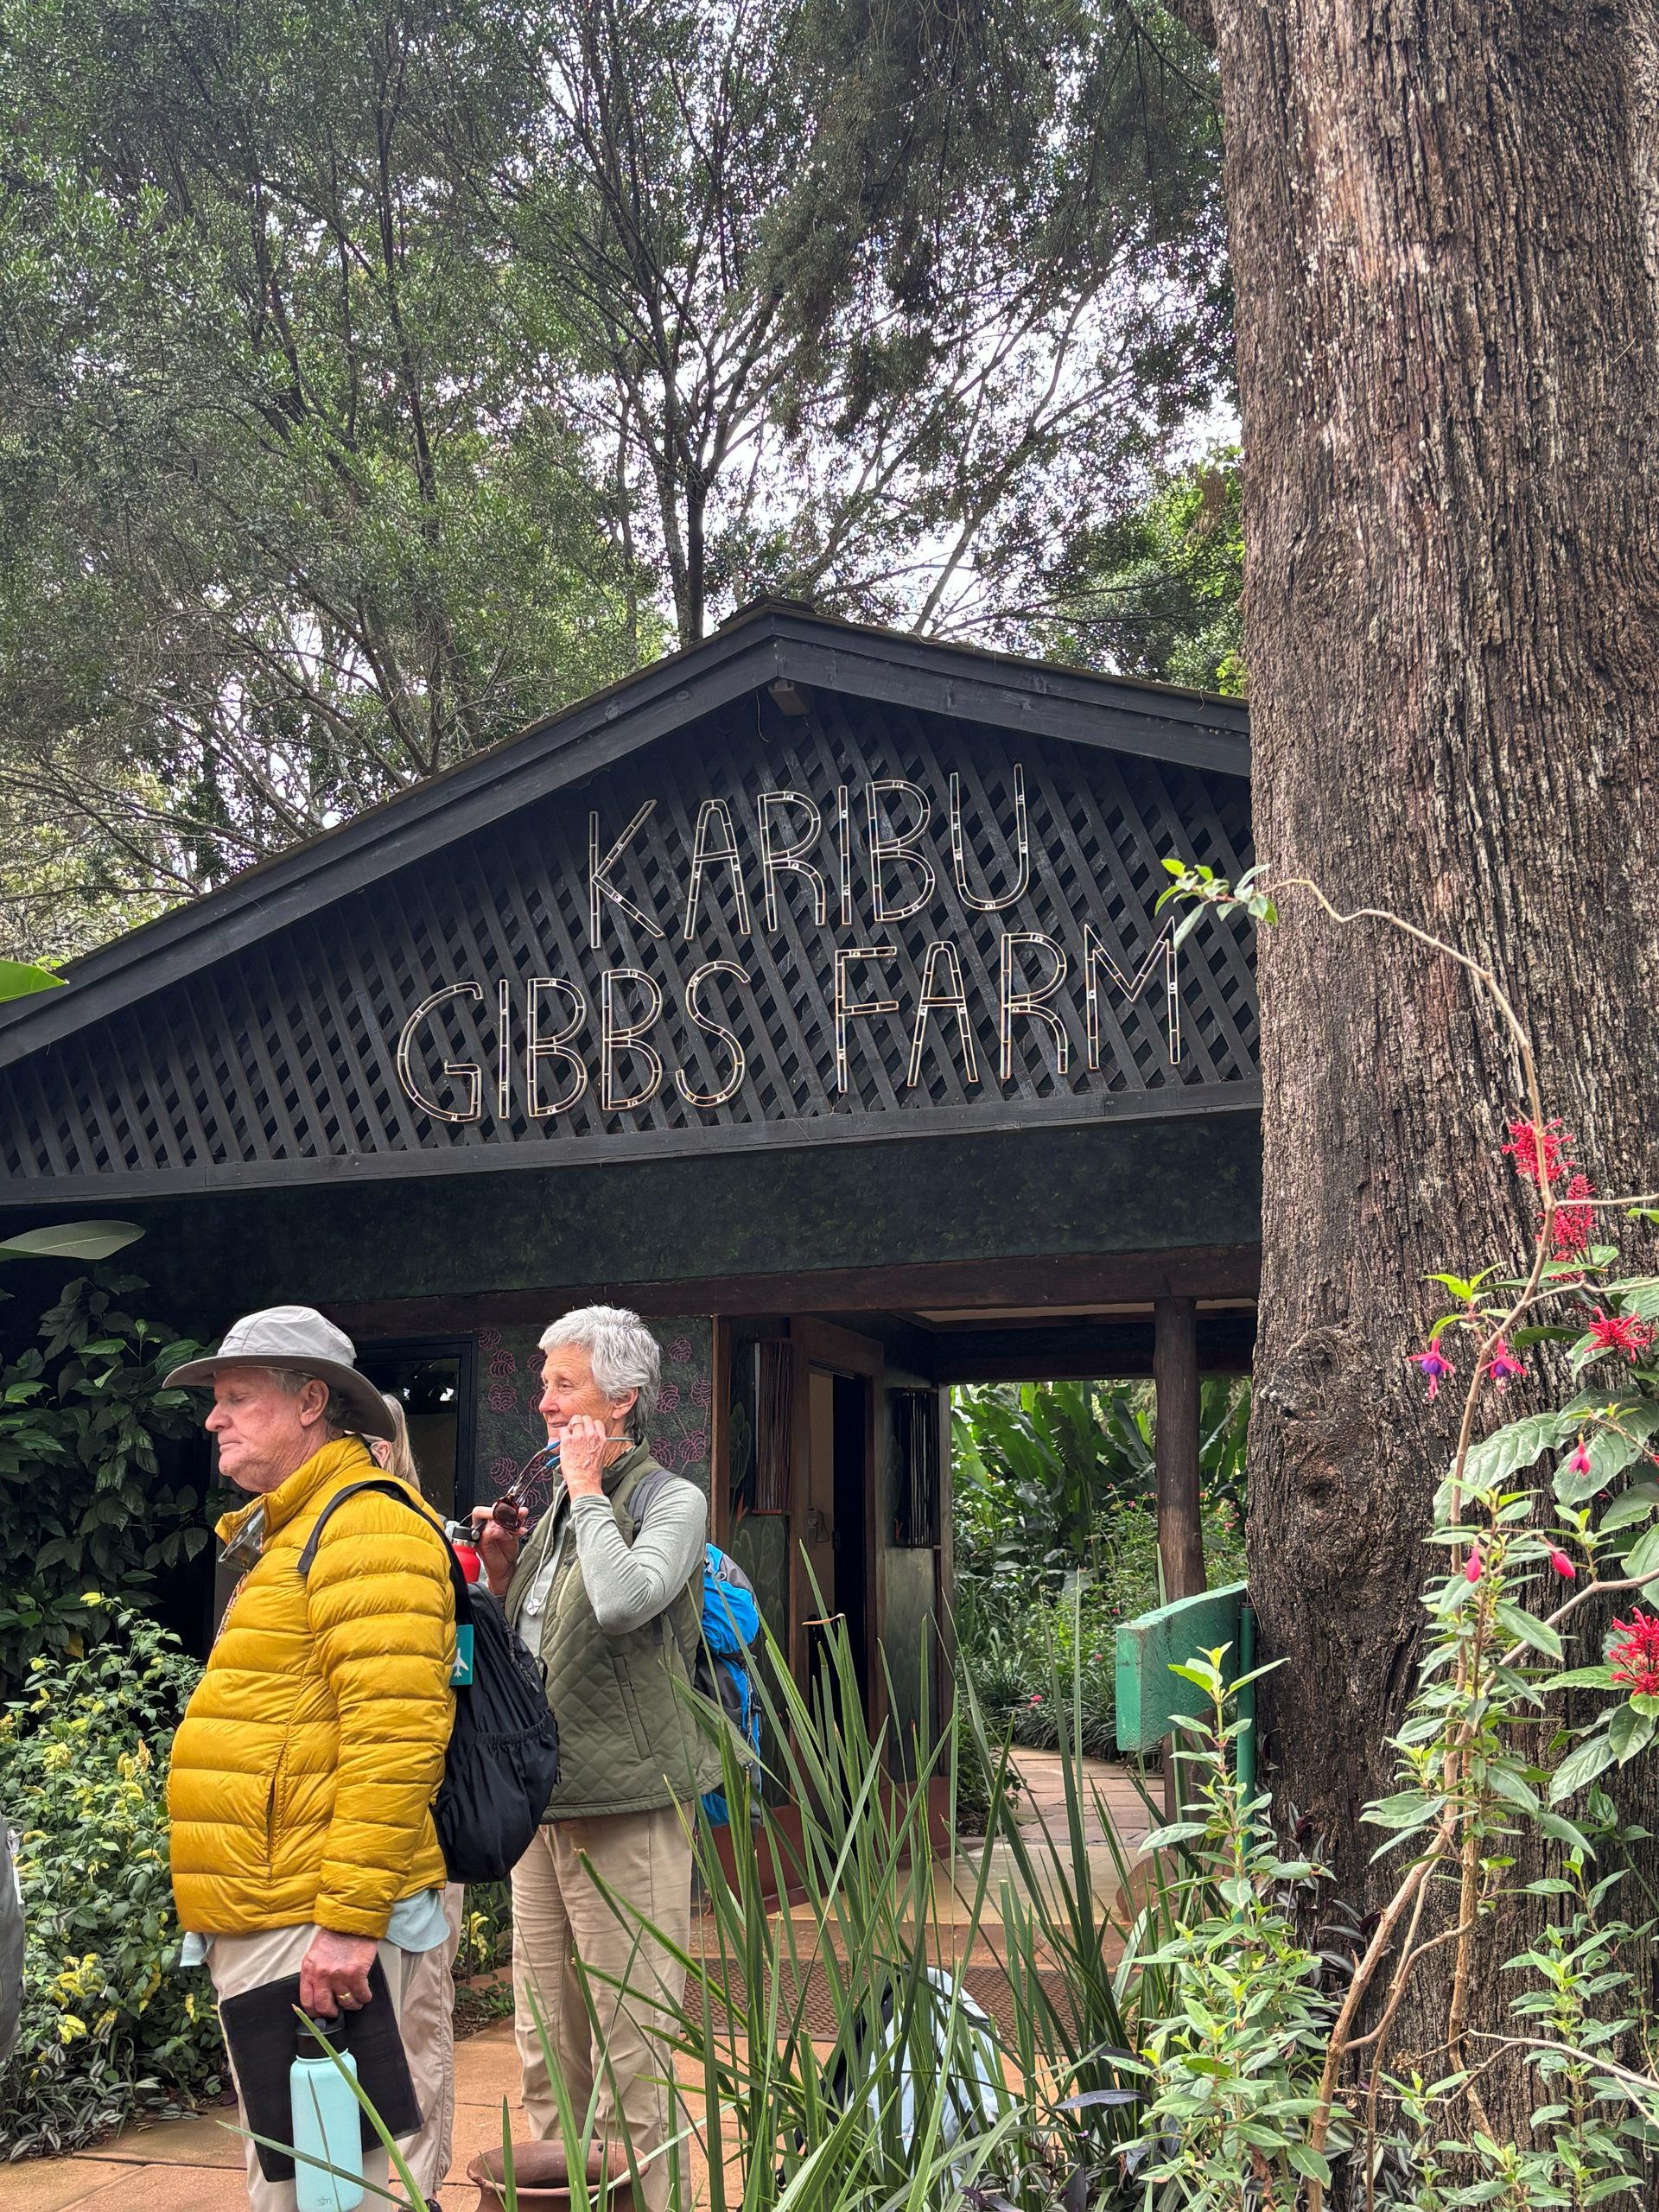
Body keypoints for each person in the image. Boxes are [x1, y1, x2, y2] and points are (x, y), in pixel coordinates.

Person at [164, 1307, 458, 2212]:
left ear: (312, 1403)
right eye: (216, 1401)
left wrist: (348, 1920)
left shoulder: (364, 1526)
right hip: (278, 1905)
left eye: (237, 1397)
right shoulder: (292, 1531)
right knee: (303, 2186)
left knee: (346, 2193)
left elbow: (396, 1733)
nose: (214, 1418)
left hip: (314, 1918)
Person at [474, 1306, 721, 2212]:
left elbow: (623, 1605)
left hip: (629, 1808)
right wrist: (503, 1573)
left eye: (561, 1383)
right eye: (542, 1382)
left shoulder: (669, 1501)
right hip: (545, 1806)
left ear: (621, 1399)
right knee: (548, 2048)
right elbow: (534, 1653)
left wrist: (582, 1490)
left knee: (634, 2055)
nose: (542, 1401)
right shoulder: (556, 1517)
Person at [370, 1391, 466, 2207]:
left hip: (416, 1829)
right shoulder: (276, 1543)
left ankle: (415, 2191)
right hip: (318, 1849)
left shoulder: (429, 1544)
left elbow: (444, 1694)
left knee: (415, 2019)